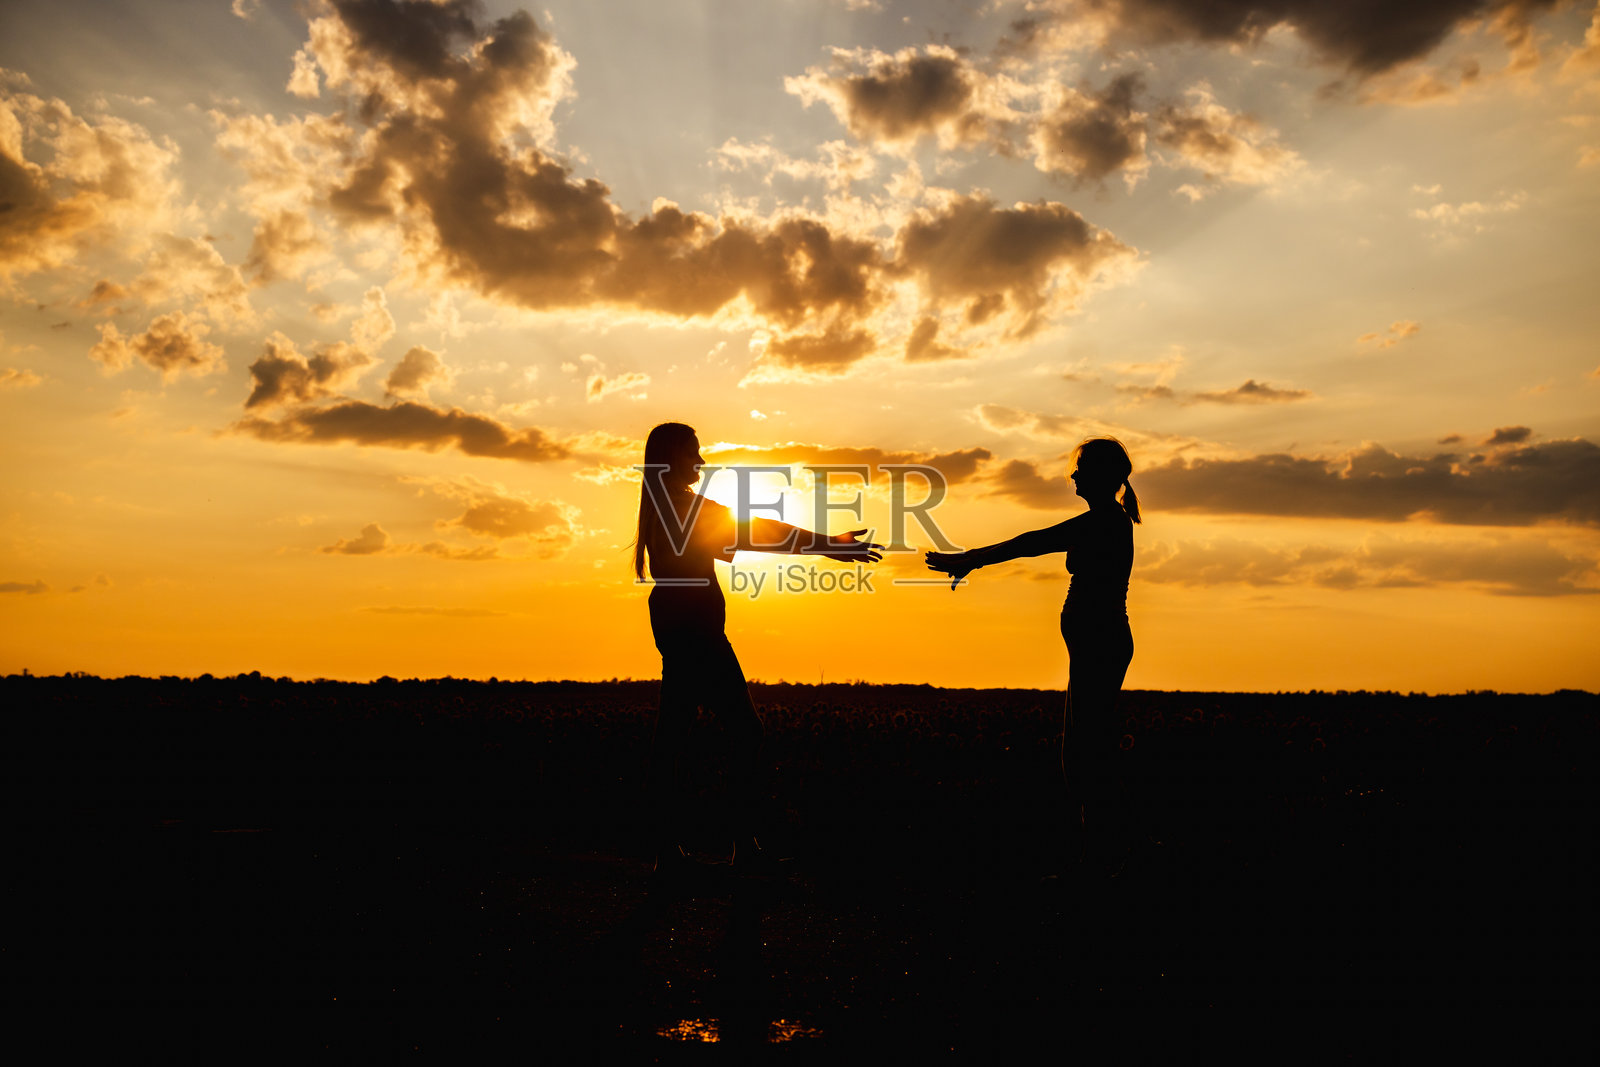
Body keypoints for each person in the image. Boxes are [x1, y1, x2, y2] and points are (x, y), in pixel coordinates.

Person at [633, 422, 881, 876]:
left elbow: (749, 530)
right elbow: (756, 531)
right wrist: (828, 545)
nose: (702, 462)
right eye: (694, 453)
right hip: (696, 628)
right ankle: (739, 849)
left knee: (672, 739)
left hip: (679, 624)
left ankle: (671, 851)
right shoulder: (681, 506)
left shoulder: (664, 504)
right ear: (673, 456)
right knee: (745, 731)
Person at [925, 437, 1141, 876]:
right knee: (1082, 750)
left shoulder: (1103, 522)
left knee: (1086, 753)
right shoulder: (1104, 520)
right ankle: (1100, 853)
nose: (1074, 475)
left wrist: (971, 559)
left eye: (1081, 468)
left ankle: (1107, 856)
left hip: (1101, 643)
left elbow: (1032, 542)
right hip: (1095, 643)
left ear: (1102, 475)